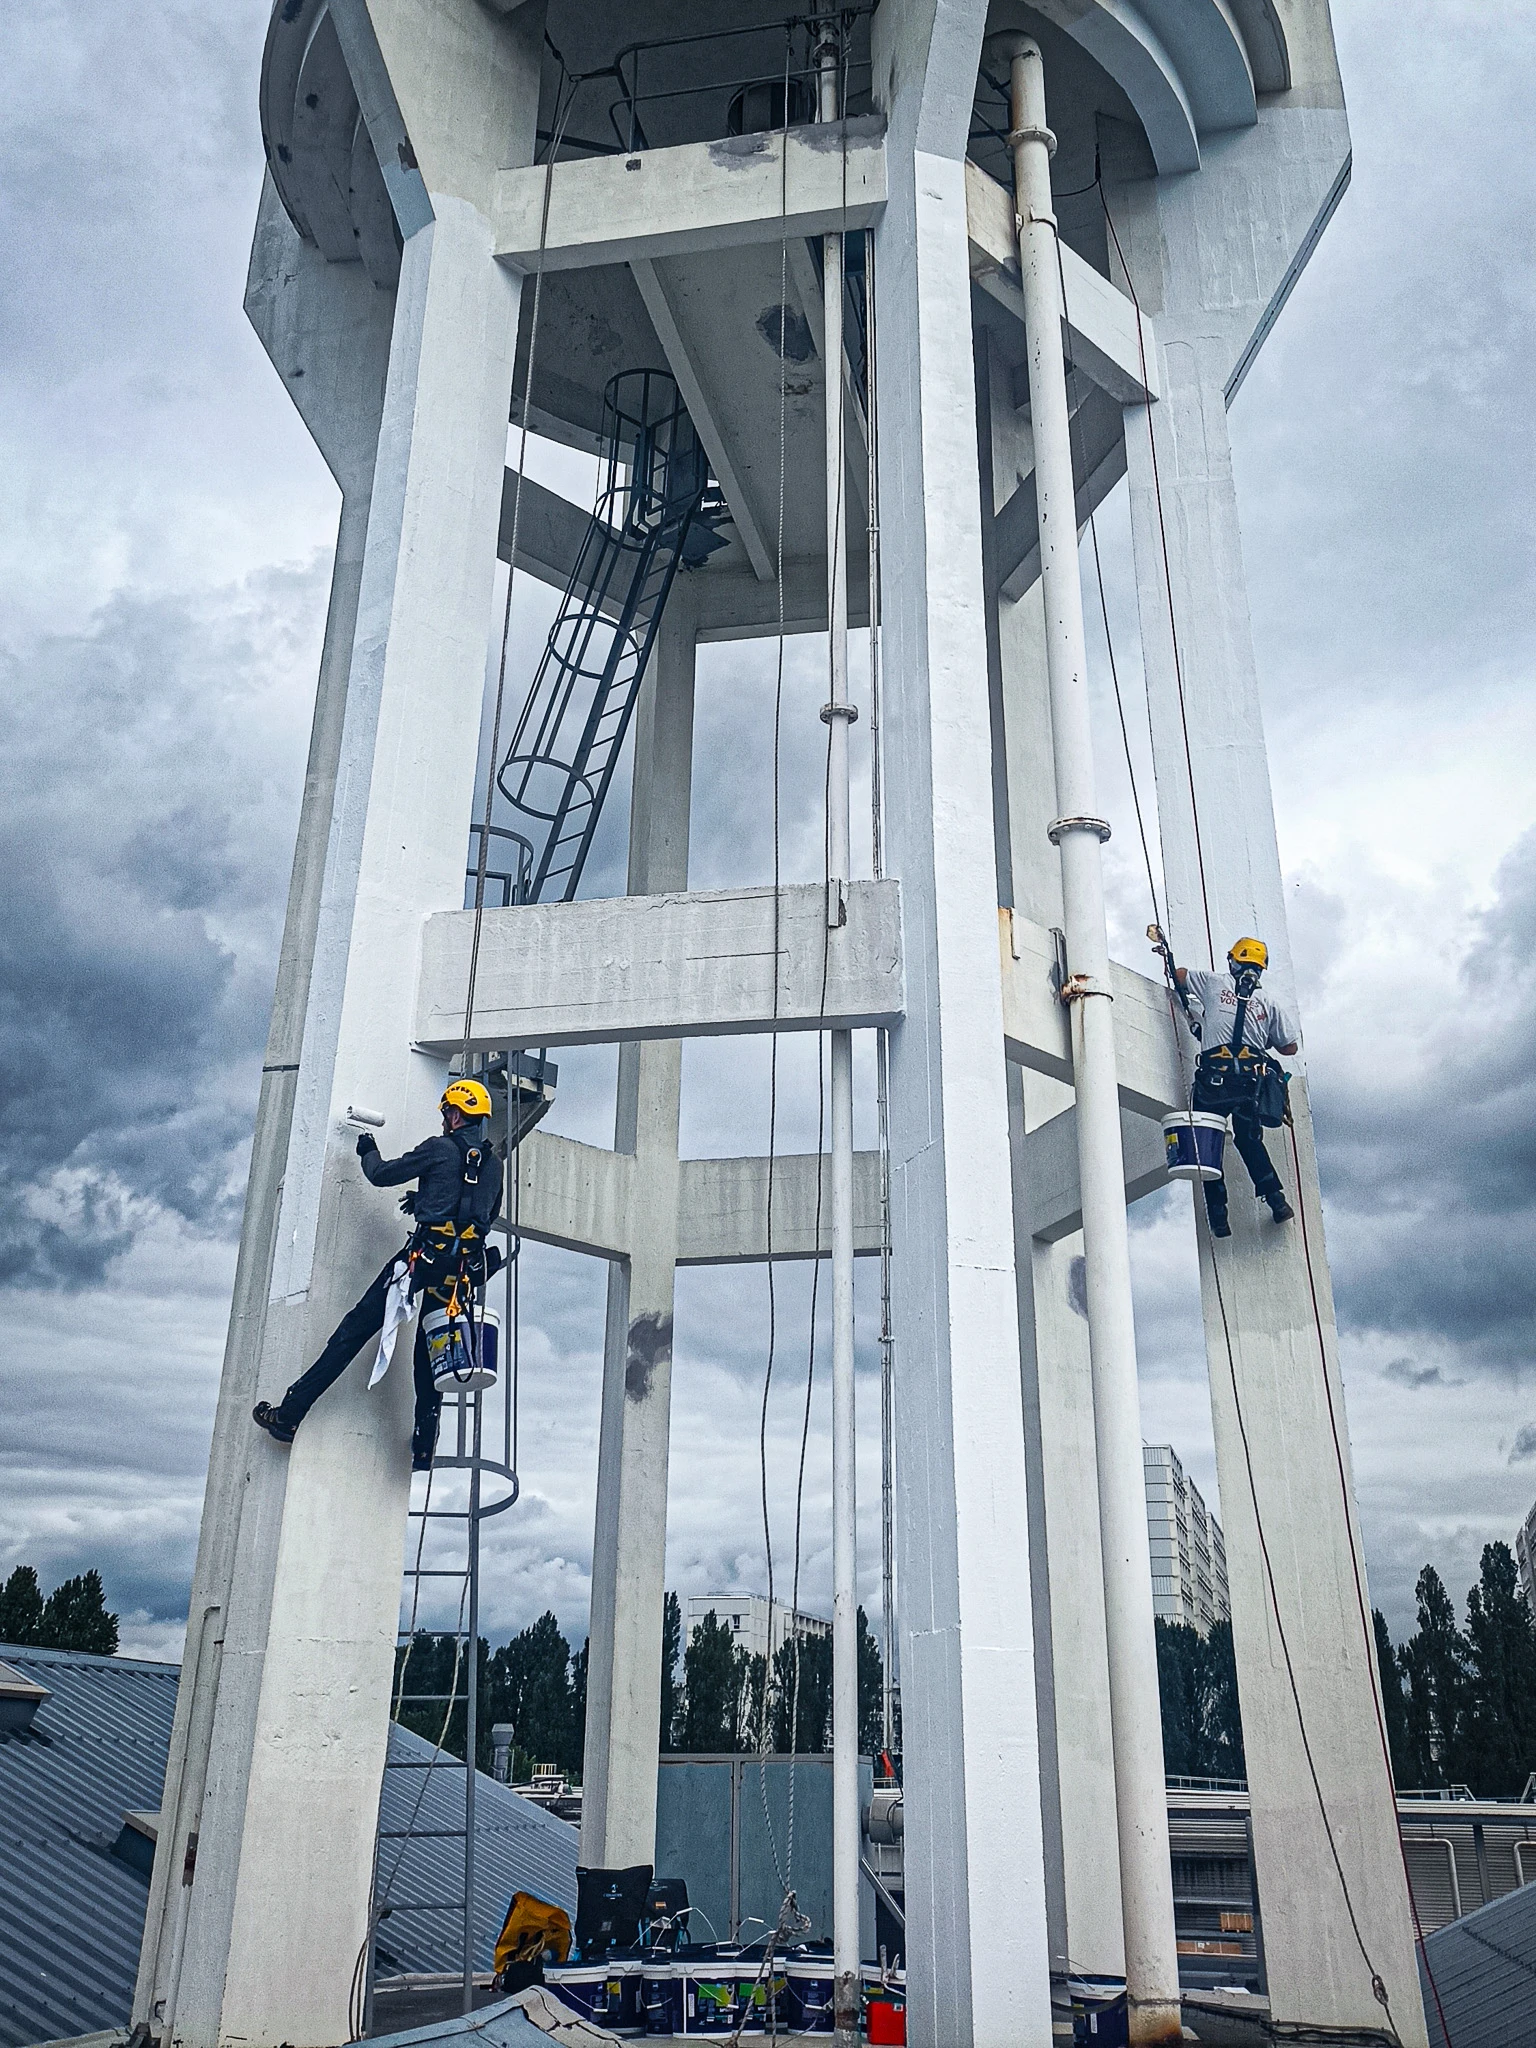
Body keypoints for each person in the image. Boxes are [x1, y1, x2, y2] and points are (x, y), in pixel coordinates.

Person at [253, 1078, 505, 1469]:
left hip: (420, 1260)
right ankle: (424, 1446)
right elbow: (484, 1215)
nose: (444, 1121)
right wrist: (429, 1199)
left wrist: (367, 1149)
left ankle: (288, 1416)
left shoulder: (438, 1149)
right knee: (429, 1355)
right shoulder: (493, 1165)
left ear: (455, 1113)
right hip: (460, 1272)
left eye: (445, 1114)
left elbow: (382, 1174)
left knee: (353, 1331)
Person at [1173, 937, 1299, 1239]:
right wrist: (1263, 1037)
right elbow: (1290, 1048)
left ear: (1233, 961)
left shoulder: (1214, 983)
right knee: (1249, 1141)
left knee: (1207, 1143)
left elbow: (1179, 975)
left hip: (1212, 1083)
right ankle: (1276, 1200)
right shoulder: (1268, 1003)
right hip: (1248, 1086)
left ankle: (1219, 1218)